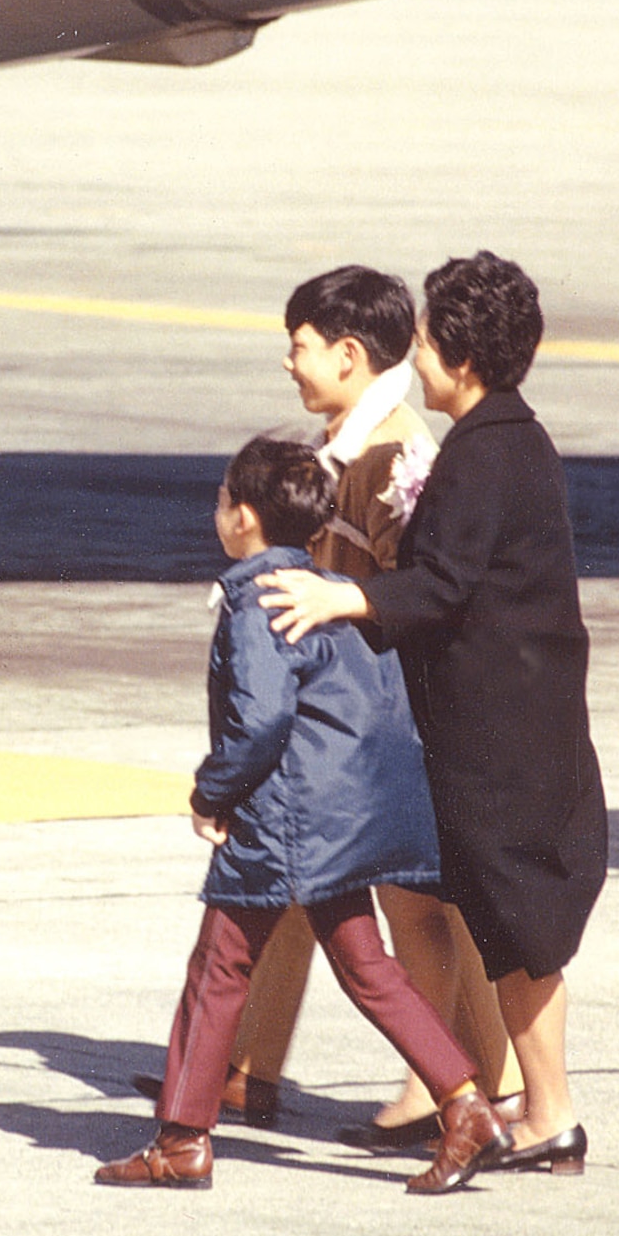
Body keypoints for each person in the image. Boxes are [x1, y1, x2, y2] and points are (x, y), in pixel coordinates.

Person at [264, 251, 607, 1176]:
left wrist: (348, 601)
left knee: (519, 930)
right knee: (515, 929)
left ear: (458, 354)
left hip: (502, 736)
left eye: (422, 343)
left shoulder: (484, 455)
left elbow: (443, 585)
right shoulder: (509, 439)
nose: (414, 360)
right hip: (521, 724)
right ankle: (541, 1110)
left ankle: (550, 1111)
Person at [95, 437, 513, 1194]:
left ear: (244, 519)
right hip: (344, 815)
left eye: (223, 500)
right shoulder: (326, 590)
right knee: (366, 965)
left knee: (220, 965)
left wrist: (211, 794)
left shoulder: (259, 602)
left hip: (287, 819)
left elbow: (257, 724)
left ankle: (182, 1138)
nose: (217, 511)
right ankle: (467, 1104)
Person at [203, 267, 523, 1149]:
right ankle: (247, 1070)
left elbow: (421, 590)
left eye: (299, 346)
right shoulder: (351, 439)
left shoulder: (397, 455)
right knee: (317, 890)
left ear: (347, 355)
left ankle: (470, 1086)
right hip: (353, 710)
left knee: (418, 911)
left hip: (393, 713)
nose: (287, 363)